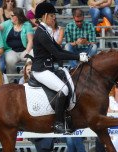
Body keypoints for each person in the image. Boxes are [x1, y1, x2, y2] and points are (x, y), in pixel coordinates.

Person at [32, 2, 88, 133]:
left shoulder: (46, 31)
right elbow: (57, 54)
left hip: (47, 68)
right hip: (41, 70)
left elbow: (59, 49)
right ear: (45, 16)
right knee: (63, 90)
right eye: (52, 15)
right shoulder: (41, 33)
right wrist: (78, 58)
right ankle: (58, 123)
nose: (54, 18)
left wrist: (78, 55)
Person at [0, 7, 34, 76]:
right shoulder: (8, 23)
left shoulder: (27, 25)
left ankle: (25, 71)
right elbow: (0, 26)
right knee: (9, 60)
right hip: (11, 50)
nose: (10, 17)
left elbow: (30, 40)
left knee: (32, 53)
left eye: (12, 15)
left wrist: (27, 51)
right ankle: (11, 79)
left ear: (18, 16)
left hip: (24, 50)